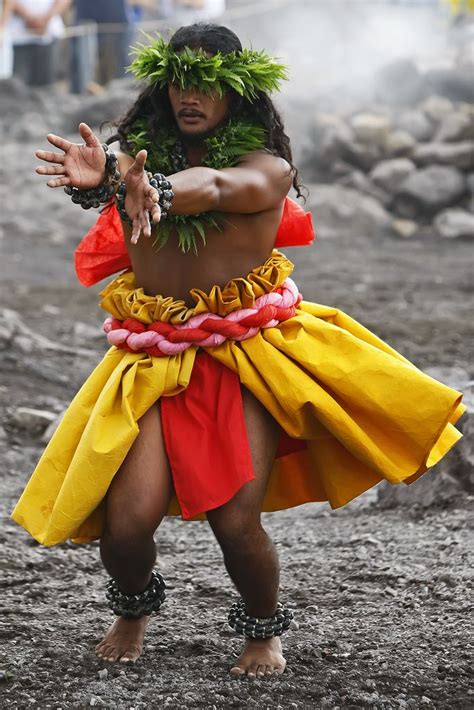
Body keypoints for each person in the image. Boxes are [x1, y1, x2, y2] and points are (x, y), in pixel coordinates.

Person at [13, 23, 464, 678]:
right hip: (155, 356)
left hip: (242, 358)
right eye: (177, 82)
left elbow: (219, 189)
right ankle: (133, 607)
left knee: (233, 517)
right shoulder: (136, 161)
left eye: (206, 84)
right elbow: (128, 183)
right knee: (128, 522)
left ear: (238, 92)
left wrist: (156, 188)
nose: (188, 95)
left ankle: (262, 630)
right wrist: (109, 179)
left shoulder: (266, 168)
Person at [8, 0, 70, 86]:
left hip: (49, 36)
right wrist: (27, 17)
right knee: (16, 88)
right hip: (16, 38)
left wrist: (47, 18)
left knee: (46, 88)